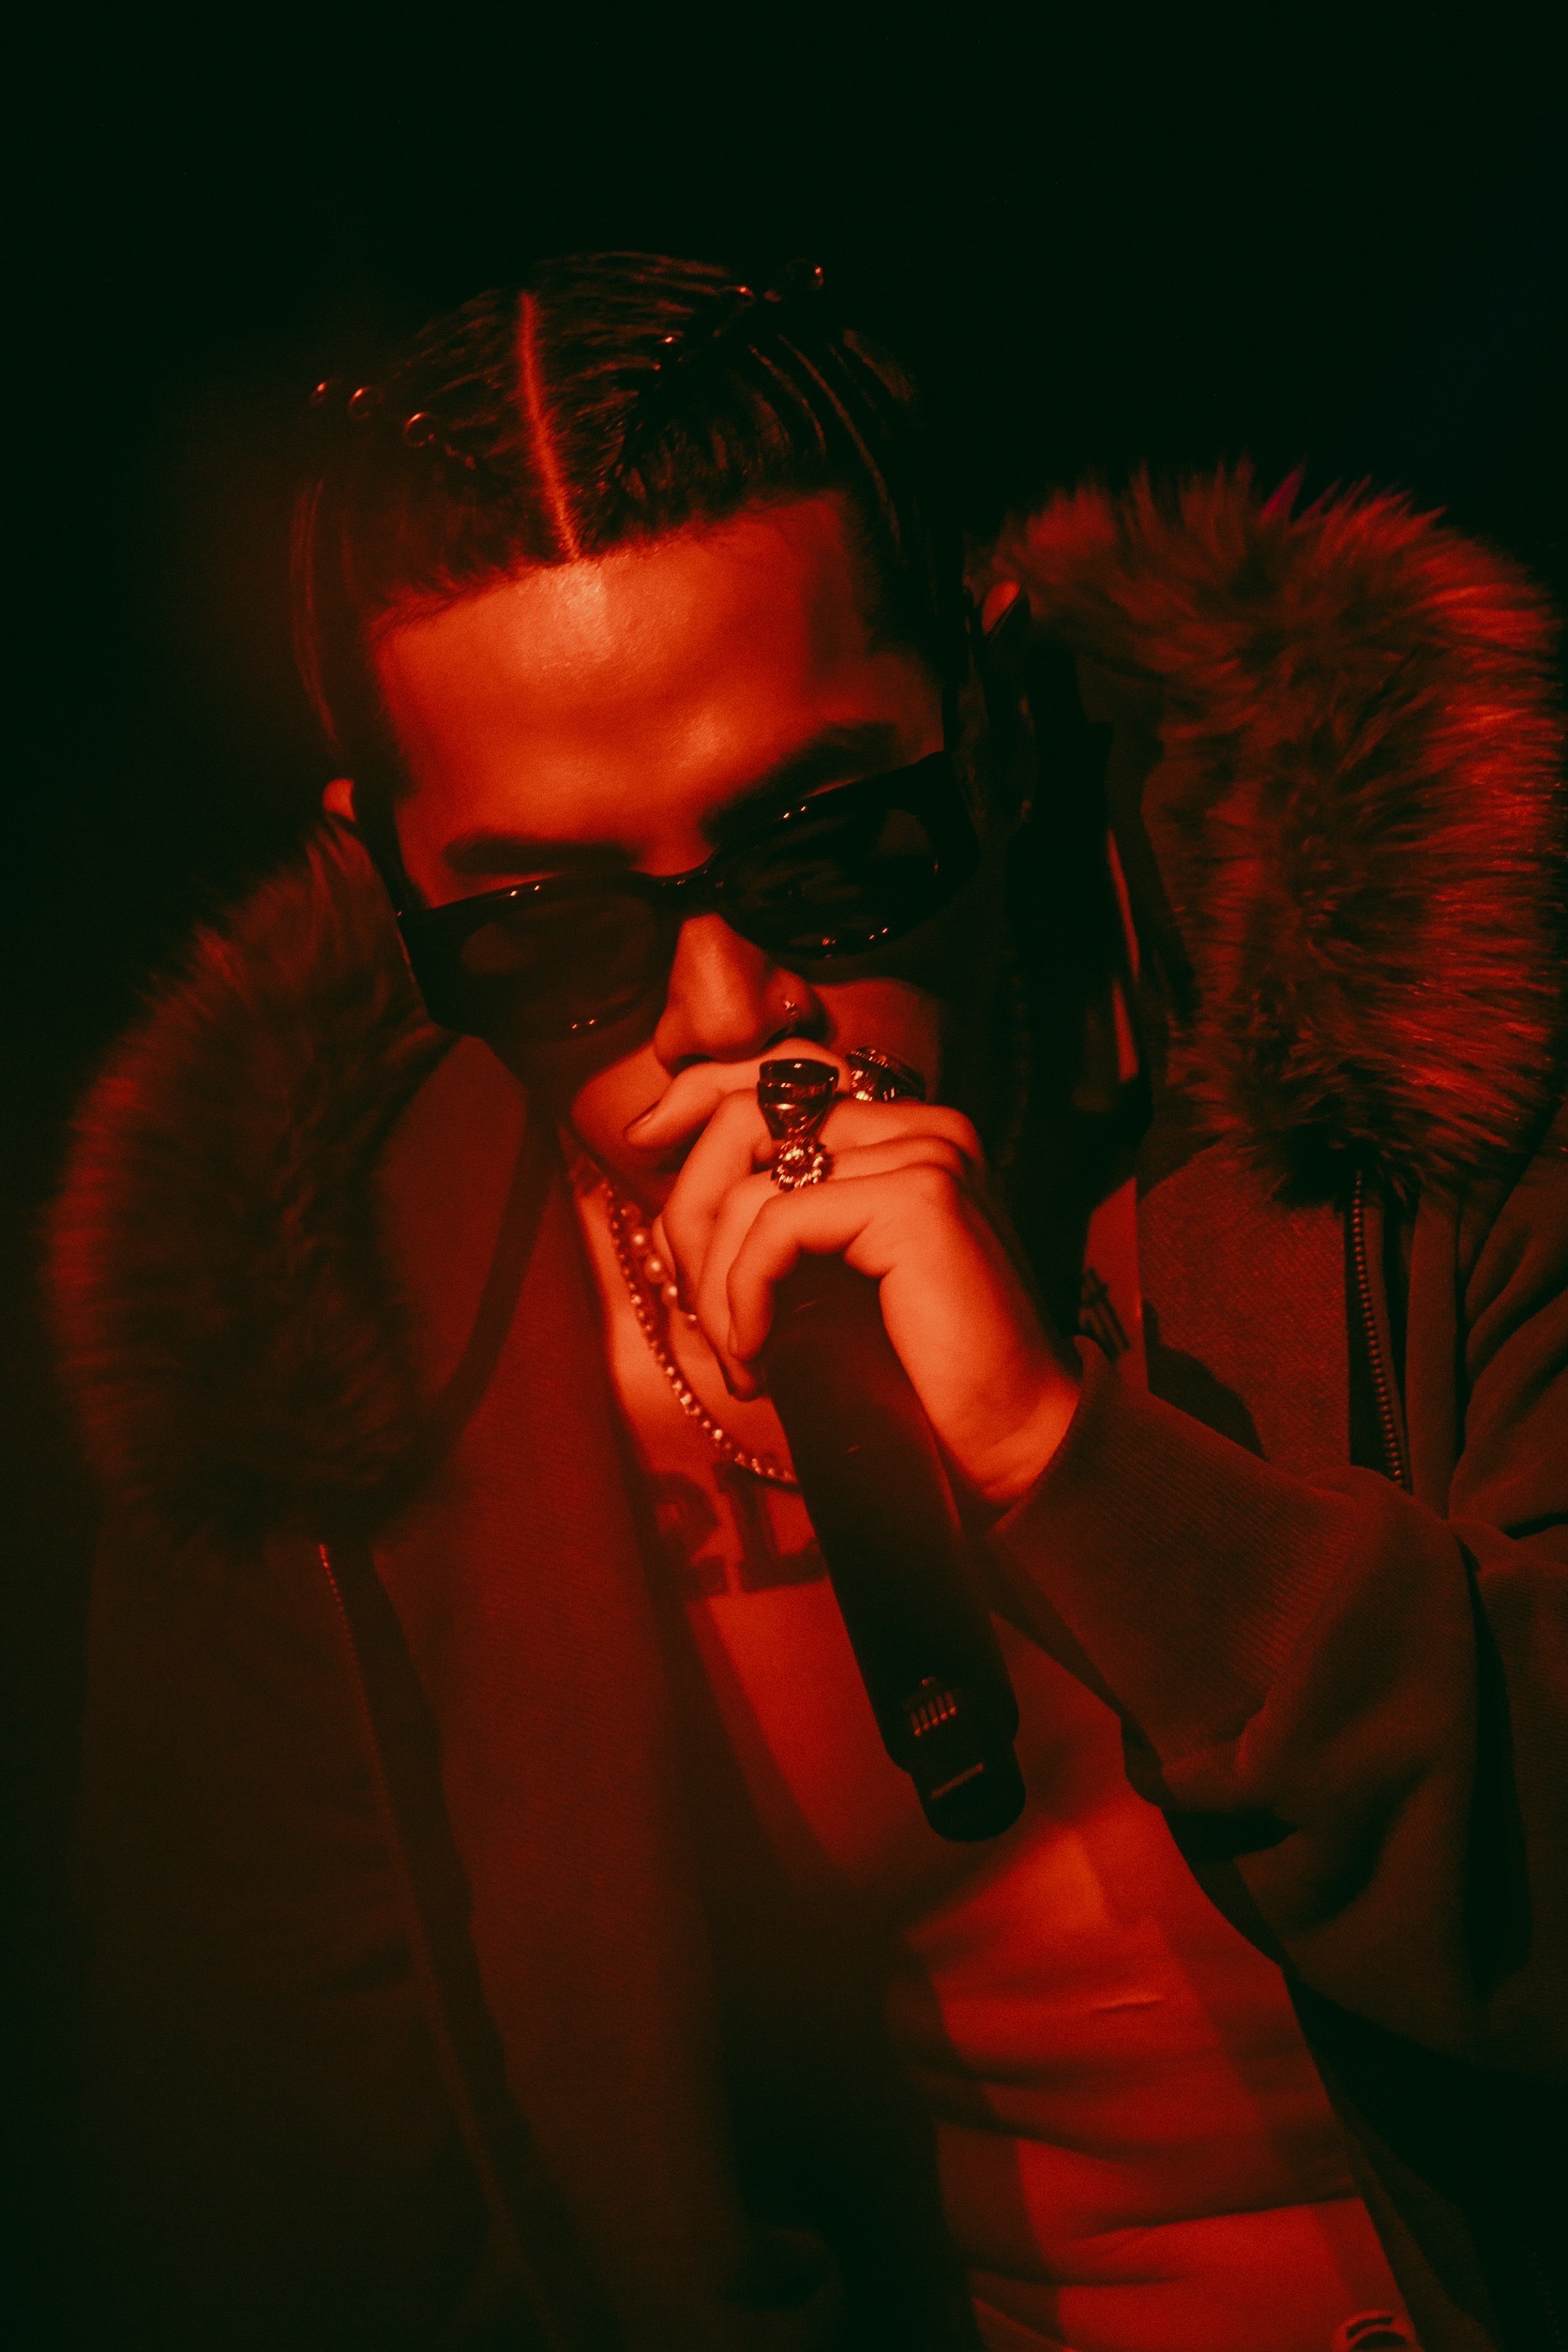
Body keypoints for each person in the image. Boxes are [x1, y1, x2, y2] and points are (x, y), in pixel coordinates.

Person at [48, 254, 1565, 2352]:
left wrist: (1064, 1462)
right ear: (391, 884)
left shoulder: (1431, 1029)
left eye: (833, 846)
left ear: (990, 715)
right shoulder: (316, 1391)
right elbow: (305, 2224)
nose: (727, 1005)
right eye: (551, 933)